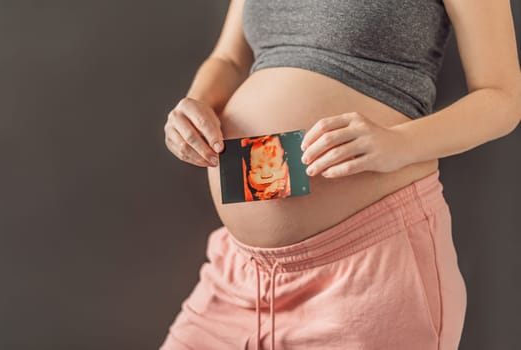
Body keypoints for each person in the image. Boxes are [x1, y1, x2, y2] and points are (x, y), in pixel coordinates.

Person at [161, 0, 521, 349]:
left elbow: (503, 98)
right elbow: (230, 58)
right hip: (241, 272)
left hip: (369, 275)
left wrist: (399, 143)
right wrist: (195, 107)